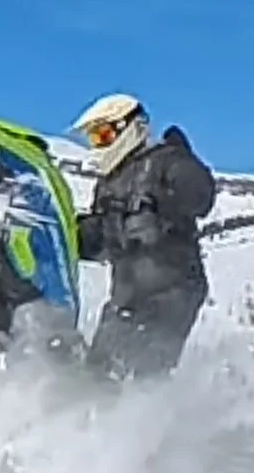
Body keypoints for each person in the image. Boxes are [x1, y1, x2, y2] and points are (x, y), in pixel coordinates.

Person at [71, 92, 217, 380]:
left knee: (145, 371)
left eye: (102, 135)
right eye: (93, 139)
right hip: (127, 297)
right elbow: (99, 240)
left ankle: (154, 420)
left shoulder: (165, 160)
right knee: (95, 376)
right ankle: (86, 422)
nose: (98, 146)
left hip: (173, 289)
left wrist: (168, 196)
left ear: (130, 128)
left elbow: (201, 196)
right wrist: (72, 235)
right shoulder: (107, 184)